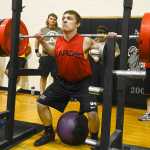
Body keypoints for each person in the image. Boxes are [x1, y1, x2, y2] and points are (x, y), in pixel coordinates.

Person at [34, 10, 117, 147]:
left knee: (92, 114)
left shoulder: (85, 41)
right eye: (64, 18)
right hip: (62, 82)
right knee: (41, 104)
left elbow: (106, 51)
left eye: (69, 18)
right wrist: (41, 41)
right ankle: (49, 133)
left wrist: (110, 40)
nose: (65, 20)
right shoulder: (59, 41)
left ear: (77, 24)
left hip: (83, 83)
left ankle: (95, 139)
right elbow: (53, 52)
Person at [89, 25, 120, 103]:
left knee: (105, 83)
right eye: (99, 33)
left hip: (106, 66)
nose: (100, 35)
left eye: (103, 33)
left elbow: (118, 52)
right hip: (95, 65)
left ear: (106, 34)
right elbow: (88, 50)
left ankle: (105, 101)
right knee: (94, 82)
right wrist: (93, 56)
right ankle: (95, 100)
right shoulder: (93, 41)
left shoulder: (111, 42)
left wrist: (110, 57)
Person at [34, 13, 61, 95]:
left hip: (56, 57)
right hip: (45, 56)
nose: (52, 20)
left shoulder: (60, 30)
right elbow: (37, 40)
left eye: (54, 19)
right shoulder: (43, 30)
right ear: (48, 20)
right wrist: (36, 51)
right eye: (51, 19)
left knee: (56, 77)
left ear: (56, 21)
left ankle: (54, 94)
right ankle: (42, 94)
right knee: (43, 75)